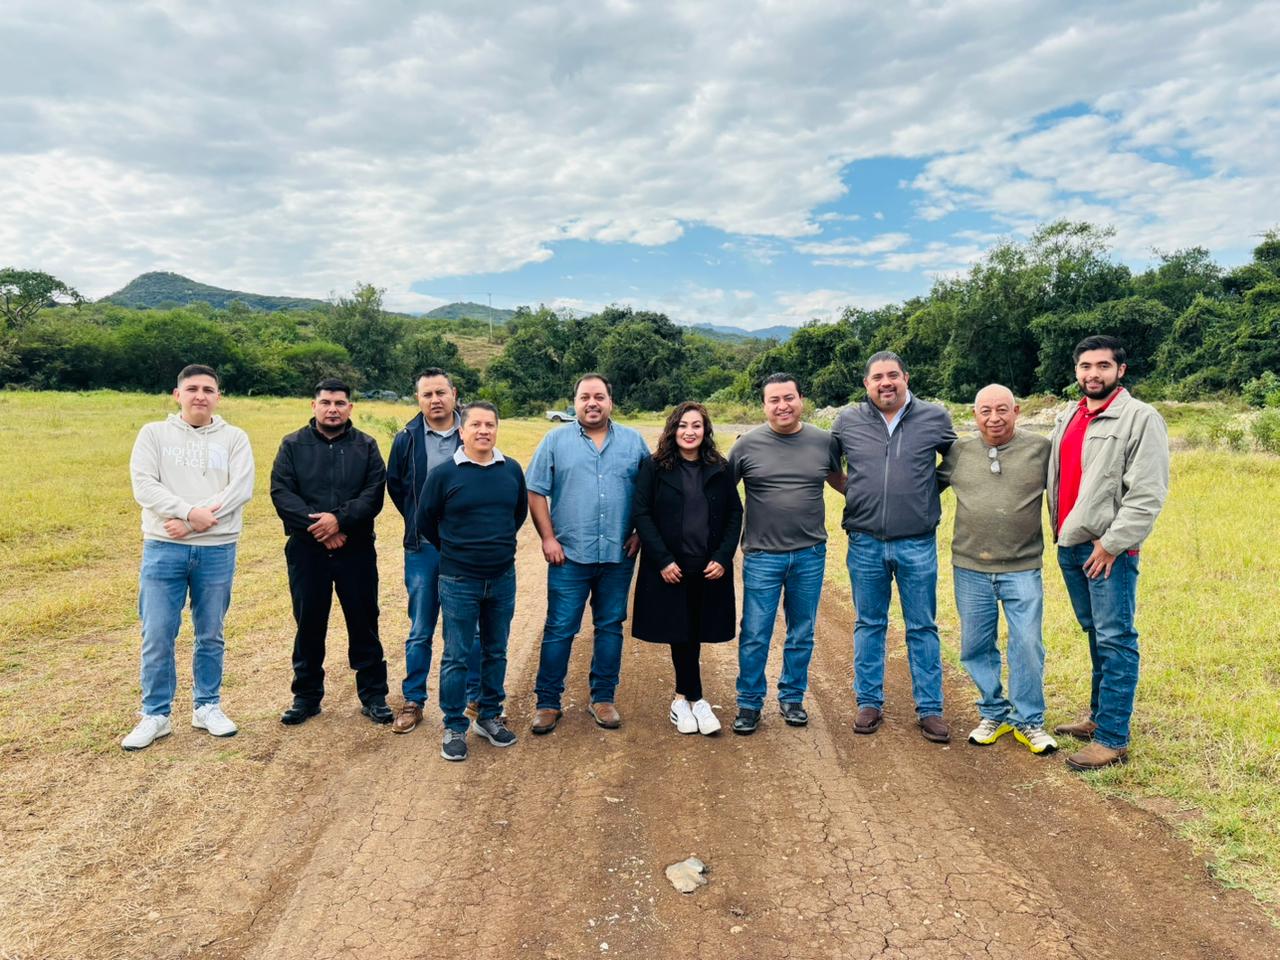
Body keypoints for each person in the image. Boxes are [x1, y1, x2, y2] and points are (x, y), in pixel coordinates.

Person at [1048, 335, 1169, 771]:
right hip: (1070, 543)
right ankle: (1098, 718)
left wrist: (1112, 543)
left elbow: (1147, 493)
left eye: (1103, 366)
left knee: (1116, 638)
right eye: (1085, 366)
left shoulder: (1140, 418)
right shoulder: (1070, 415)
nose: (1093, 374)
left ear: (1120, 370)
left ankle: (1114, 738)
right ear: (1076, 371)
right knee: (1096, 634)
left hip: (1107, 550)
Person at [122, 364, 255, 750]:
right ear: (177, 394)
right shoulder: (154, 434)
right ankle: (155, 714)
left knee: (210, 632)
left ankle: (207, 706)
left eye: (208, 390)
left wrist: (193, 523)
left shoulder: (234, 438)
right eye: (192, 388)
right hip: (163, 547)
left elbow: (240, 489)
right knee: (157, 633)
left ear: (218, 397)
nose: (200, 395)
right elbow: (144, 485)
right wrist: (187, 512)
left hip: (217, 548)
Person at [832, 351, 957, 743]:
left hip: (917, 541)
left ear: (906, 377)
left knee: (922, 626)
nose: (885, 383)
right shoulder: (847, 421)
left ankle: (930, 709)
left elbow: (954, 460)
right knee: (869, 623)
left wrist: (926, 490)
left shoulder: (935, 417)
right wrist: (854, 490)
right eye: (877, 377)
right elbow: (828, 464)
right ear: (866, 384)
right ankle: (869, 702)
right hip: (865, 541)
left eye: (892, 375)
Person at [526, 373, 650, 735]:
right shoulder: (555, 440)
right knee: (560, 629)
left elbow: (651, 491)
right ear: (575, 402)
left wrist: (640, 532)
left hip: (617, 555)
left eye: (599, 396)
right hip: (569, 555)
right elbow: (535, 490)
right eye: (584, 397)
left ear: (611, 401)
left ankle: (603, 698)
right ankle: (548, 702)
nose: (591, 403)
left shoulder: (633, 442)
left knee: (609, 627)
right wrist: (548, 538)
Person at [938, 384, 1056, 755]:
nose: (994, 418)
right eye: (985, 411)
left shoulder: (1041, 449)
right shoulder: (959, 452)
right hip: (970, 567)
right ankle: (993, 712)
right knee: (975, 645)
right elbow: (922, 488)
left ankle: (1029, 720)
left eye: (1002, 409)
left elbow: (1067, 488)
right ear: (974, 415)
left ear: (1016, 411)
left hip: (1022, 567)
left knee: (1027, 643)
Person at [270, 378, 392, 726]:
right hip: (307, 551)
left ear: (350, 407)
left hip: (356, 549)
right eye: (326, 402)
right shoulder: (292, 445)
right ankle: (306, 697)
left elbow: (373, 494)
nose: (333, 409)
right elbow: (282, 493)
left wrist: (339, 521)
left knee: (364, 621)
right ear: (314, 406)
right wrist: (321, 529)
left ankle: (374, 695)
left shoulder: (366, 446)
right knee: (309, 622)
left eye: (340, 403)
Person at [729, 373, 845, 735]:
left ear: (801, 399)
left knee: (802, 631)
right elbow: (720, 493)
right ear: (764, 405)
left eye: (789, 398)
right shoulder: (746, 445)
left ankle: (792, 698)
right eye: (774, 400)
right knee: (755, 632)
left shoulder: (824, 441)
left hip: (809, 554)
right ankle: (749, 703)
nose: (783, 406)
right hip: (762, 556)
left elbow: (840, 481)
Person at [417, 402, 528, 761]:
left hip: (502, 577)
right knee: (456, 655)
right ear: (461, 431)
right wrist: (456, 549)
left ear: (496, 429)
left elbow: (518, 514)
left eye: (490, 425)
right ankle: (454, 725)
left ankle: (488, 715)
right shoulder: (444, 475)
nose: (483, 430)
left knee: (496, 650)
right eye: (476, 425)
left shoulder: (511, 470)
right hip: (458, 579)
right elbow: (425, 520)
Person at [631, 402, 743, 736]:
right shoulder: (654, 467)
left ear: (706, 431)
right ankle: (694, 700)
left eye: (696, 425)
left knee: (695, 630)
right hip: (670, 565)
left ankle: (685, 698)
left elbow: (735, 514)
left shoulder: (719, 468)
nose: (689, 432)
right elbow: (641, 513)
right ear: (672, 430)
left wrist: (723, 557)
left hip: (707, 565)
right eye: (682, 425)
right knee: (680, 631)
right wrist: (663, 560)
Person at [385, 368, 482, 734]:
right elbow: (398, 488)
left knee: (470, 629)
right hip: (423, 548)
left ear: (454, 393)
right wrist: (421, 522)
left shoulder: (472, 430)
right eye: (427, 394)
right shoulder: (406, 438)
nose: (435, 400)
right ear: (418, 399)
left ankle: (476, 697)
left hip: (465, 548)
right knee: (420, 628)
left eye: (441, 392)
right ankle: (414, 700)